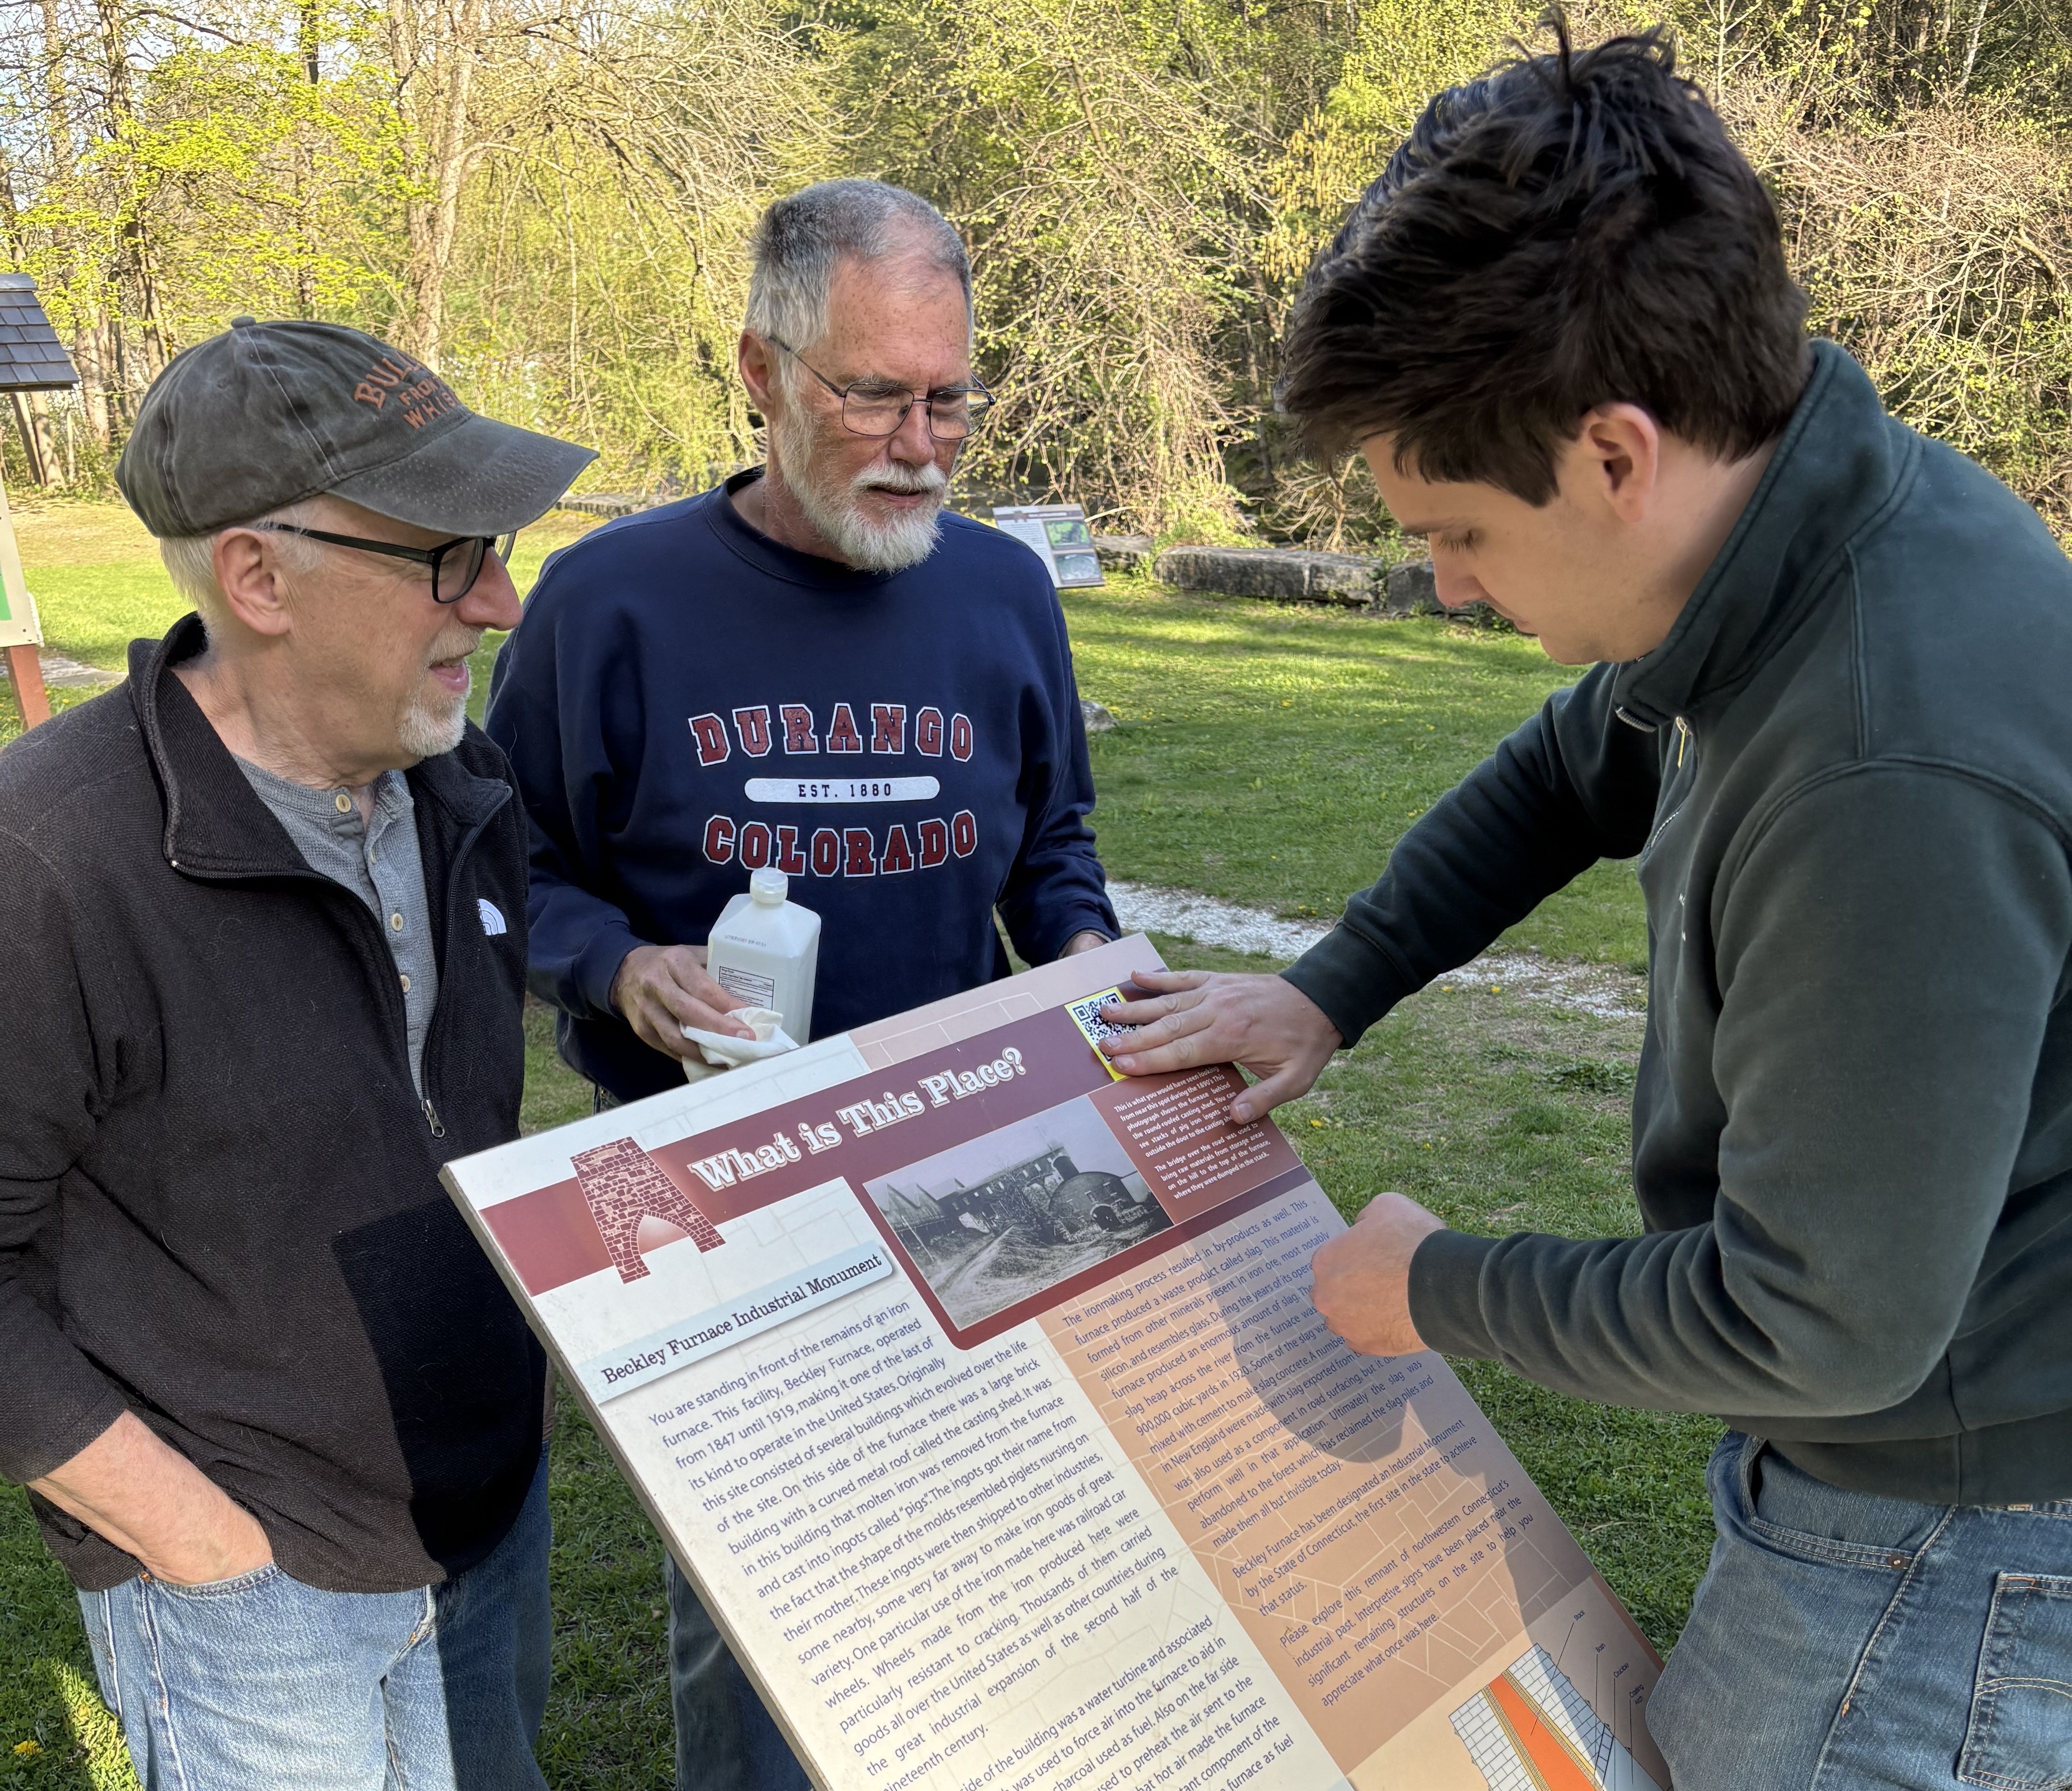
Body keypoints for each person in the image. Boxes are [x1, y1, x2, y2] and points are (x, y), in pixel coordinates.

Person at [1100, 27, 2072, 1791]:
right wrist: (1333, 984)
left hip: (1955, 1540)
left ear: (1614, 454)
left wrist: (1433, 1289)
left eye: (1461, 532)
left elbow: (1819, 1322)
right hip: (1907, 1449)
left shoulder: (1883, 765)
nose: (1450, 590)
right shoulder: (1796, 537)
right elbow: (1571, 769)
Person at [486, 179, 1117, 1789]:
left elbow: (1049, 843)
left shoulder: (1001, 590)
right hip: (712, 1183)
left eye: (949, 401)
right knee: (774, 1610)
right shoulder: (609, 602)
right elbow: (500, 868)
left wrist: (1092, 964)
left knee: (987, 1555)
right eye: (873, 397)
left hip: (972, 1147)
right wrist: (618, 967)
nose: (919, 446)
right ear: (760, 372)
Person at [0, 318, 594, 1790]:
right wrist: (202, 1547)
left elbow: (454, 1122)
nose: (502, 600)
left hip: (488, 1517)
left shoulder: (463, 785)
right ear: (259, 578)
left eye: (499, 548)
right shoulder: (48, 862)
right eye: (448, 557)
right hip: (253, 1591)